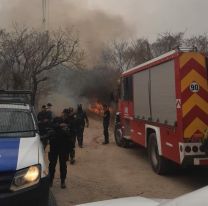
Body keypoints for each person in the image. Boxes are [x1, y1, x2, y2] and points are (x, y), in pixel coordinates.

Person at [48, 109, 72, 189]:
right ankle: (50, 180)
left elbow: (71, 134)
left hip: (63, 147)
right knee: (52, 165)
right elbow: (51, 126)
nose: (65, 115)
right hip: (54, 146)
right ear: (62, 113)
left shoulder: (69, 121)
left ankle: (63, 181)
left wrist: (67, 131)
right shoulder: (56, 119)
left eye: (66, 114)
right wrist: (59, 126)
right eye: (64, 114)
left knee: (63, 165)